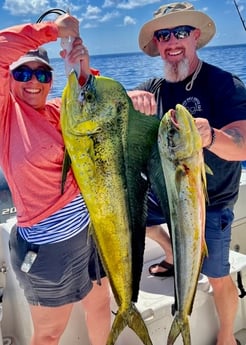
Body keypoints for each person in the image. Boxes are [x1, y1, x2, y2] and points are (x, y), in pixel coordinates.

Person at [128, 2, 246, 345]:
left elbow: (242, 145)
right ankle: (170, 251)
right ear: (157, 44)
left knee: (217, 276)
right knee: (131, 213)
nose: (172, 40)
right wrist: (129, 100)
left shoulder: (224, 84)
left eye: (180, 32)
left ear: (195, 36)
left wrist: (212, 137)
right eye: (163, 34)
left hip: (208, 202)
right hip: (164, 194)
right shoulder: (153, 87)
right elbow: (115, 113)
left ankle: (226, 336)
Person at [0, 14, 111, 345]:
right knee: (49, 334)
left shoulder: (55, 111)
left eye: (42, 73)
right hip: (47, 250)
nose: (33, 80)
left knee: (102, 304)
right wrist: (50, 32)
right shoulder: (6, 115)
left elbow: (93, 112)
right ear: (8, 79)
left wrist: (81, 70)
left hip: (89, 231)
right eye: (22, 72)